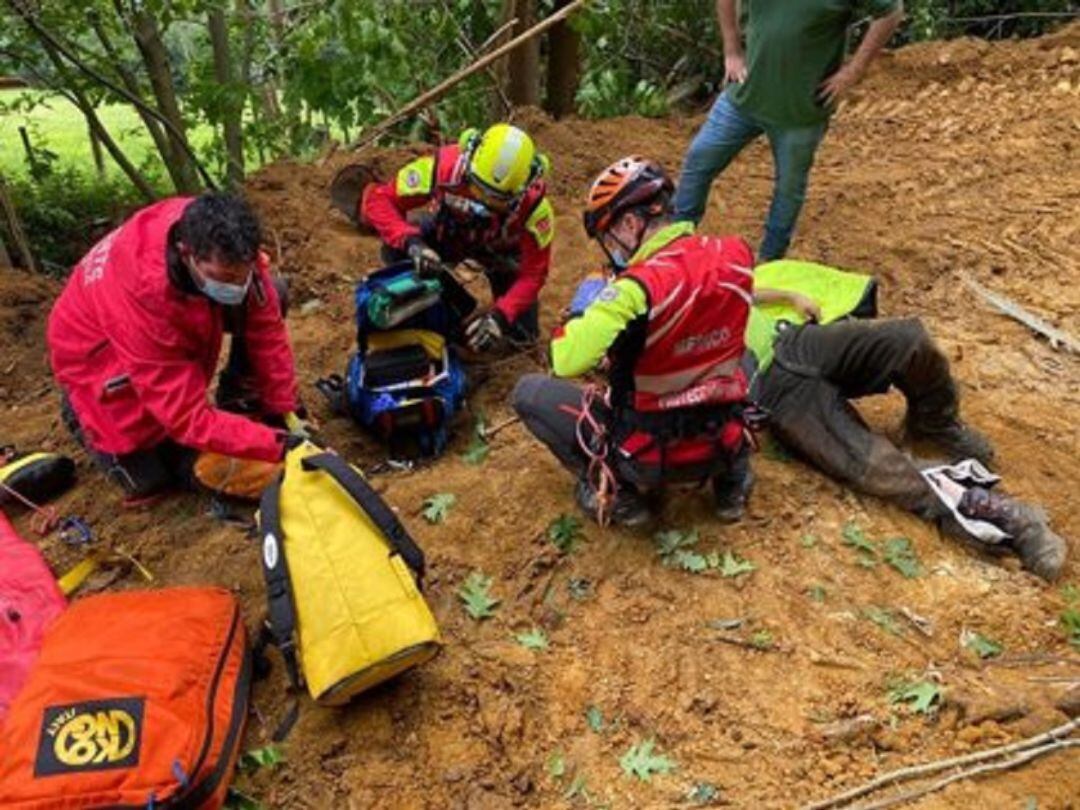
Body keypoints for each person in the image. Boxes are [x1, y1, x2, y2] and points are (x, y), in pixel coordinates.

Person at [746, 260, 1067, 581]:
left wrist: (788, 297)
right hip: (771, 391)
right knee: (871, 463)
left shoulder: (700, 274)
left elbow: (739, 290)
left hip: (793, 342)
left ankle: (934, 428)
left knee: (907, 340)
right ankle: (1011, 520)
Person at [512, 157, 755, 527]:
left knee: (529, 393)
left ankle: (621, 498)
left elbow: (564, 361)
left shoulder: (633, 290)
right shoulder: (738, 254)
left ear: (629, 223)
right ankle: (732, 483)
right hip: (720, 438)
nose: (610, 249)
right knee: (745, 356)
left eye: (608, 238)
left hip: (648, 455)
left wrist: (584, 312)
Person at [47, 193, 313, 503]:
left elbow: (265, 328)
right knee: (153, 479)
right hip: (94, 357)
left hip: (164, 311)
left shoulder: (222, 233)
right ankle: (80, 414)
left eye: (244, 274)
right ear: (186, 254)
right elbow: (186, 419)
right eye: (225, 278)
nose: (238, 286)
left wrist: (283, 409)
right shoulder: (142, 301)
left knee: (270, 293)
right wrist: (281, 445)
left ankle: (243, 395)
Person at [674, 0, 904, 260]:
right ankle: (675, 245)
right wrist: (731, 49)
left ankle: (770, 262)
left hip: (801, 111)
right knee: (698, 159)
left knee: (788, 189)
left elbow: (891, 12)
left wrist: (853, 72)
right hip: (744, 97)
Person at [359, 123, 555, 352]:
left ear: (524, 187)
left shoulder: (536, 209)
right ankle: (458, 309)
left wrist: (501, 316)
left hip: (501, 252)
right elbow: (380, 199)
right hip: (450, 236)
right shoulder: (442, 169)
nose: (483, 202)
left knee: (523, 338)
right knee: (397, 250)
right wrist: (413, 243)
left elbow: (534, 274)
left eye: (497, 199)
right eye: (478, 188)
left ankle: (492, 320)